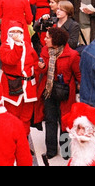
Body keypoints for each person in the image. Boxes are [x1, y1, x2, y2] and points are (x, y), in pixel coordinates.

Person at [36, 27, 81, 160]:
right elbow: (41, 71)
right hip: (49, 91)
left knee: (65, 122)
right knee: (50, 120)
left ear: (56, 40)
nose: (45, 39)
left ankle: (65, 151)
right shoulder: (45, 51)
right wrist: (42, 68)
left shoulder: (72, 55)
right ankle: (50, 150)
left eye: (48, 37)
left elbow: (79, 75)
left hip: (65, 94)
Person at [0, 22, 39, 136]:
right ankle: (12, 141)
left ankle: (23, 142)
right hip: (13, 86)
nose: (16, 34)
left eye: (19, 32)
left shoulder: (27, 45)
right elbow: (11, 60)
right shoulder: (4, 47)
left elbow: (35, 62)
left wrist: (41, 67)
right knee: (12, 117)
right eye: (13, 32)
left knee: (26, 118)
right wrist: (17, 45)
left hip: (29, 89)